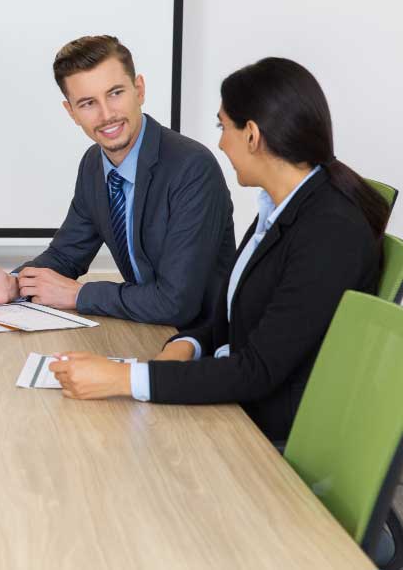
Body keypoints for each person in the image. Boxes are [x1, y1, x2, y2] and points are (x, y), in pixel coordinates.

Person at [48, 57, 387, 445]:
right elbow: (238, 314)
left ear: (252, 135)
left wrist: (124, 378)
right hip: (238, 405)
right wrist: (187, 344)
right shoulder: (282, 208)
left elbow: (257, 369)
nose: (221, 142)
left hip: (266, 435)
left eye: (222, 126)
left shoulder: (328, 230)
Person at [0, 35, 235, 328]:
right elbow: (66, 255)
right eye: (88, 103)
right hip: (143, 330)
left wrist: (79, 294)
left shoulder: (192, 168)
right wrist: (13, 285)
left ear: (139, 90)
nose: (106, 114)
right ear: (71, 112)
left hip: (203, 343)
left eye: (115, 93)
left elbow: (176, 302)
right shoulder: (94, 164)